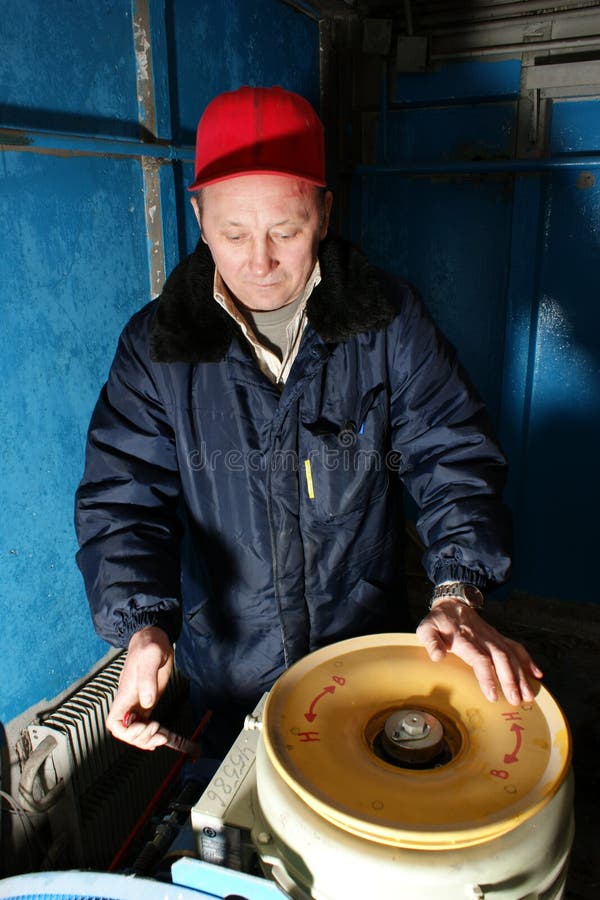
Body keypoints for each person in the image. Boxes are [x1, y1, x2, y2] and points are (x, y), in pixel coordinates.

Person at [75, 85, 542, 760]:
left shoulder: (386, 320)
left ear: (324, 213)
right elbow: (123, 500)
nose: (258, 262)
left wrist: (456, 591)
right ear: (199, 216)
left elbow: (452, 453)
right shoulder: (157, 347)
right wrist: (143, 625)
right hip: (228, 668)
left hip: (362, 652)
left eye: (285, 231)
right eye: (234, 233)